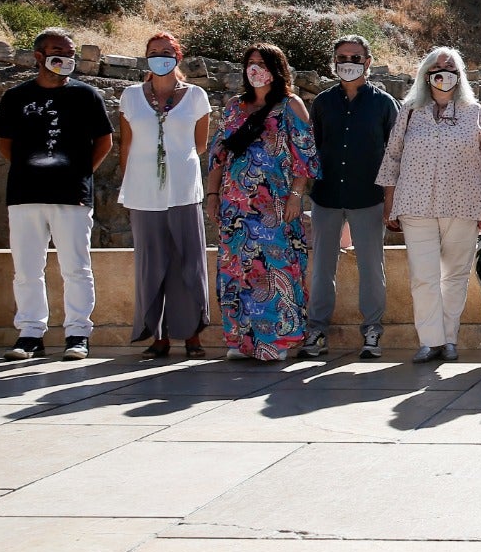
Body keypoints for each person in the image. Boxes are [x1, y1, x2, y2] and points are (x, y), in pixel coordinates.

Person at [0, 28, 114, 361]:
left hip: (72, 195)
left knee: (76, 266)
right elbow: (5, 144)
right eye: (58, 51)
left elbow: (105, 141)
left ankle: (78, 333)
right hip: (24, 194)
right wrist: (32, 168)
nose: (66, 57)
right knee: (27, 268)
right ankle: (31, 333)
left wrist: (79, 172)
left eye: (70, 52)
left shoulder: (87, 96)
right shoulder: (15, 97)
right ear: (38, 56)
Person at [377, 47, 481, 363]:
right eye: (438, 67)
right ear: (426, 74)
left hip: (463, 204)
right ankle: (430, 341)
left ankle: (450, 339)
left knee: (455, 275)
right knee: (423, 275)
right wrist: (389, 203)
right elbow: (393, 157)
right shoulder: (410, 112)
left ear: (460, 75)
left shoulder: (476, 113)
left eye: (451, 67)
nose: (444, 72)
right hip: (416, 204)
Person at [207, 43, 320, 361]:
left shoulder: (290, 105)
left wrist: (297, 195)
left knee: (276, 270)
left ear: (277, 69)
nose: (255, 69)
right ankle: (241, 341)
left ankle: (277, 341)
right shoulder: (234, 107)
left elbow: (304, 157)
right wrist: (212, 196)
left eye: (262, 63)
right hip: (235, 208)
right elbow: (218, 156)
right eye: (250, 63)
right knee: (236, 272)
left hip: (276, 205)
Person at [301, 35, 400, 360]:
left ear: (368, 62)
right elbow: (311, 149)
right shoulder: (323, 103)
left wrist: (390, 200)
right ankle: (316, 332)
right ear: (334, 61)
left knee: (372, 267)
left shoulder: (384, 104)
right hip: (327, 195)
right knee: (322, 268)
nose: (349, 62)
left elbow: (395, 155)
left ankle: (372, 332)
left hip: (368, 196)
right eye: (343, 57)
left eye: (356, 57)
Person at [118, 31, 212, 359]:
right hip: (143, 193)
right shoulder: (130, 96)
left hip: (184, 190)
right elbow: (126, 144)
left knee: (188, 262)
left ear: (178, 56)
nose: (160, 56)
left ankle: (191, 335)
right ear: (146, 57)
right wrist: (130, 180)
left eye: (166, 51)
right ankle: (157, 336)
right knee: (151, 264)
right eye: (154, 51)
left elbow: (200, 145)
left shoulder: (196, 96)